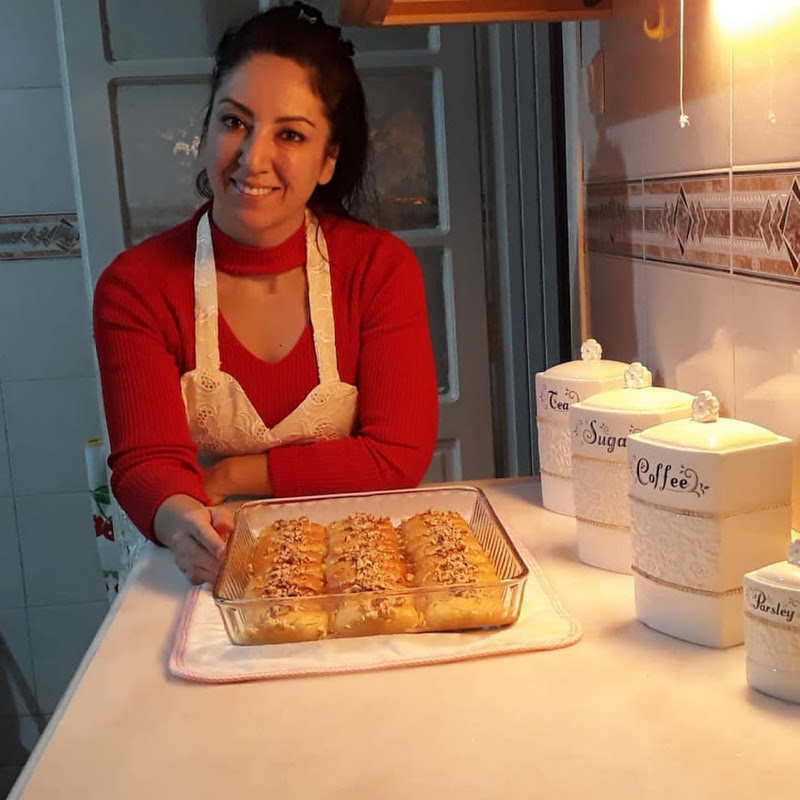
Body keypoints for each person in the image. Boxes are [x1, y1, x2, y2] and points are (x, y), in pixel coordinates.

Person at [93, 2, 438, 586]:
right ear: (206, 130)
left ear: (328, 160)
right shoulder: (137, 286)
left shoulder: (378, 270)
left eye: (291, 135)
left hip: (354, 569)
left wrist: (231, 475)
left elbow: (395, 455)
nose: (253, 158)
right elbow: (148, 461)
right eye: (234, 122)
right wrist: (185, 523)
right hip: (195, 568)